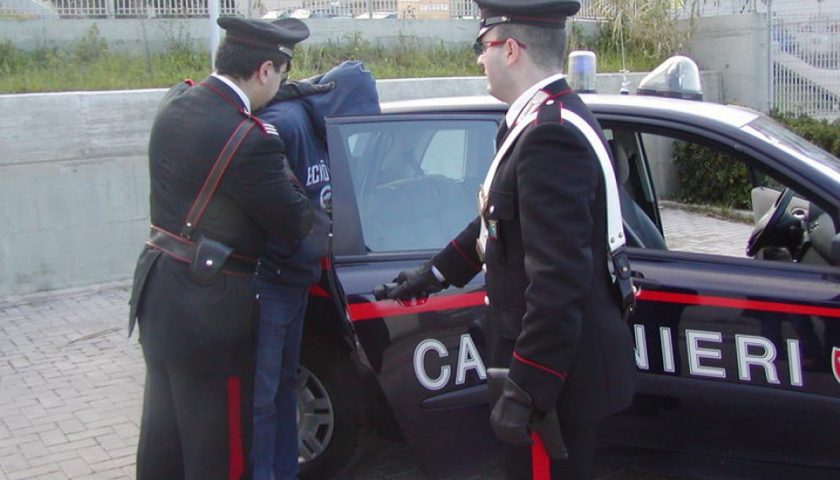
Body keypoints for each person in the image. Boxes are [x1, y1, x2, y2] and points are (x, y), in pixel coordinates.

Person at [377, 1, 637, 478]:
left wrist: (529, 390)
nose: (480, 59)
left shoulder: (548, 136)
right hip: (553, 370)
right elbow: (498, 223)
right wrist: (433, 274)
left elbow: (558, 282)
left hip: (553, 385)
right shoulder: (540, 119)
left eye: (484, 46)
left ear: (511, 48)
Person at [127, 17, 319, 480]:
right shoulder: (252, 141)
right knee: (222, 448)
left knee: (165, 434)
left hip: (159, 294)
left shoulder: (175, 103)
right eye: (283, 77)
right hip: (212, 309)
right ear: (266, 70)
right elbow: (295, 221)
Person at [250, 60, 380, 480]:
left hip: (298, 280)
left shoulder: (321, 128)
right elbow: (264, 207)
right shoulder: (282, 123)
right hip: (270, 282)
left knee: (280, 391)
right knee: (264, 398)